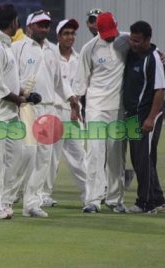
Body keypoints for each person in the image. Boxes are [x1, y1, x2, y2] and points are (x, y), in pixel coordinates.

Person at [12, 10, 76, 217]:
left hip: (49, 108)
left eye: (46, 25)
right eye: (40, 24)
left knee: (44, 158)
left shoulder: (52, 51)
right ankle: (9, 196)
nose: (44, 28)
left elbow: (59, 81)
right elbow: (10, 77)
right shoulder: (18, 47)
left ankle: (32, 202)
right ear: (29, 26)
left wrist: (71, 98)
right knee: (26, 155)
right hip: (27, 106)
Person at [0, 4, 37, 219]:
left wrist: (26, 94)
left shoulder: (6, 46)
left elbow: (10, 82)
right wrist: (20, 99)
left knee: (20, 156)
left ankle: (1, 200)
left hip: (9, 114)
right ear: (14, 22)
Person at [72, 12, 129, 214]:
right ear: (98, 30)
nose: (110, 37)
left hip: (118, 108)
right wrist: (75, 106)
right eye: (105, 33)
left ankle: (115, 200)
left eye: (112, 32)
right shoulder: (90, 48)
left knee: (116, 156)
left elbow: (146, 47)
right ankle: (93, 200)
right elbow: (80, 81)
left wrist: (158, 53)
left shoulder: (126, 40)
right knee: (94, 153)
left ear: (117, 25)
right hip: (95, 107)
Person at [123, 21, 165, 213]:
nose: (133, 43)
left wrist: (150, 119)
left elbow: (160, 90)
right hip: (133, 115)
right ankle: (158, 200)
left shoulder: (154, 59)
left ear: (148, 40)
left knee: (143, 158)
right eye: (132, 40)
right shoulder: (133, 54)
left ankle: (146, 202)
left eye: (138, 41)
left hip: (147, 116)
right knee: (140, 158)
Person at [42, 19, 86, 206]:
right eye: (66, 33)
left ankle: (89, 194)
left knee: (79, 156)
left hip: (73, 112)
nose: (70, 37)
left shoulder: (79, 58)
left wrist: (76, 107)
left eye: (72, 33)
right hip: (54, 110)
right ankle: (43, 195)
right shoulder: (50, 56)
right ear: (58, 36)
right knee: (50, 158)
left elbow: (81, 85)